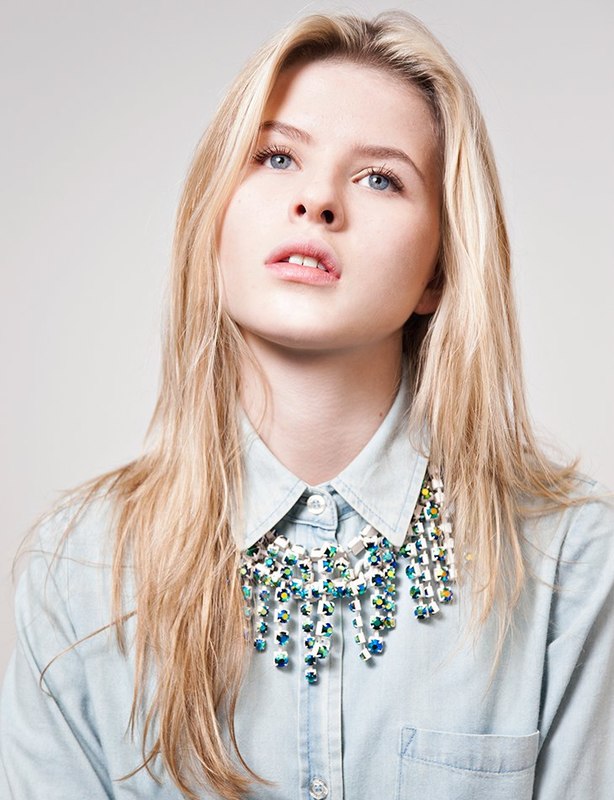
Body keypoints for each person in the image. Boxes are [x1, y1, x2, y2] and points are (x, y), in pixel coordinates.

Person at [1, 9, 612, 800]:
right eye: (277, 156)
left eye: (380, 178)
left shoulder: (570, 563)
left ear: (439, 270)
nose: (318, 201)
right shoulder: (78, 571)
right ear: (215, 214)